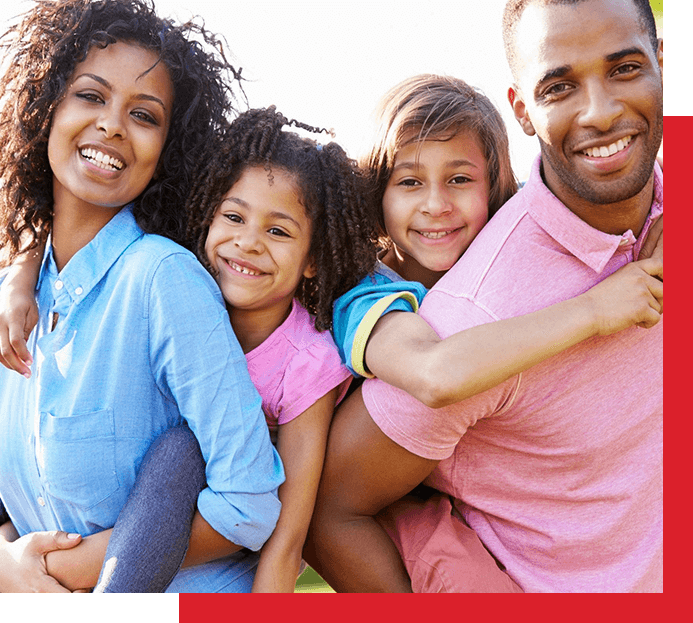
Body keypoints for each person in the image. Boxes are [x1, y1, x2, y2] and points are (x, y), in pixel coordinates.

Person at [307, 0, 663, 593]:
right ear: (523, 110)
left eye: (625, 68)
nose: (601, 111)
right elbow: (330, 507)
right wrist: (595, 311)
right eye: (560, 86)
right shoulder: (462, 319)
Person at [0, 104, 377, 592]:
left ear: (312, 260)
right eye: (234, 217)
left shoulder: (304, 363)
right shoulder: (171, 286)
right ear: (206, 216)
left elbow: (285, 539)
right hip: (122, 520)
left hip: (202, 536)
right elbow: (53, 221)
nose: (248, 243)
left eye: (278, 231)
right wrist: (21, 275)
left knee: (181, 451)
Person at [0, 0, 284, 593]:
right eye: (90, 96)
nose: (112, 125)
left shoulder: (162, 279)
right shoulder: (16, 298)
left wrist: (42, 571)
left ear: (167, 147)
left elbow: (249, 502)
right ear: (46, 107)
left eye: (144, 115)